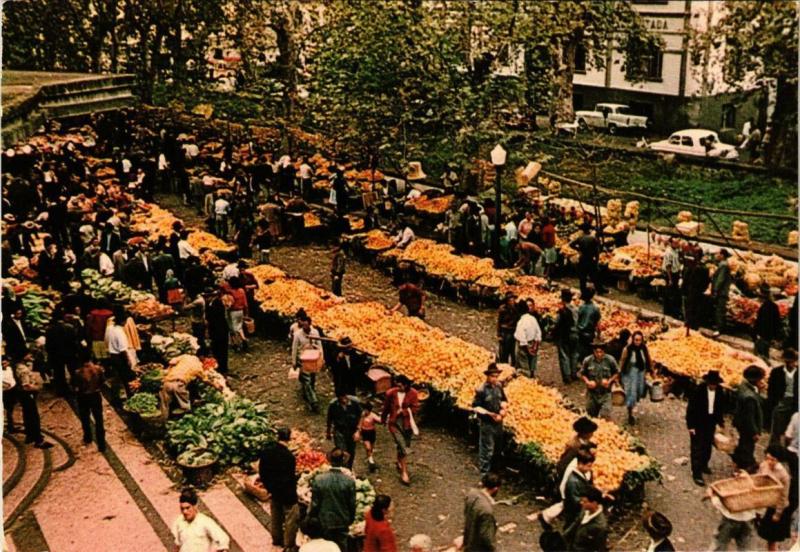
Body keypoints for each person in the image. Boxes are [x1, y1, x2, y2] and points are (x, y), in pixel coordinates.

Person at [259, 427, 299, 551]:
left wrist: (269, 487)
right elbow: (290, 476)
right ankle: (288, 544)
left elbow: (262, 472)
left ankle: (276, 538)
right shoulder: (289, 457)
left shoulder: (267, 452)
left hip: (273, 490)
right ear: (289, 438)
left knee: (276, 516)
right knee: (291, 518)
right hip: (287, 493)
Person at [309, 448, 356, 551]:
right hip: (342, 521)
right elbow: (352, 504)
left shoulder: (319, 479)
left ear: (330, 460)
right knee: (342, 547)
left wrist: (312, 517)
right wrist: (350, 519)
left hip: (324, 520)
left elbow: (315, 504)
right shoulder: (349, 482)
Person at [686, 370, 725, 486]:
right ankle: (696, 473)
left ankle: (704, 464)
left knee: (707, 445)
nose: (713, 386)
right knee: (697, 447)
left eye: (715, 384)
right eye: (712, 384)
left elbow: (720, 407)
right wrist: (691, 425)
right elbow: (691, 409)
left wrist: (720, 421)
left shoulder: (720, 391)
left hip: (710, 421)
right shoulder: (698, 390)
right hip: (698, 422)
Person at [381, 375, 419, 485]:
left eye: (401, 385)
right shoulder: (391, 393)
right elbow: (386, 407)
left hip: (407, 425)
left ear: (406, 385)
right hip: (394, 424)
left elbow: (415, 408)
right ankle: (404, 472)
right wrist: (383, 418)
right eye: (397, 385)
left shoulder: (413, 393)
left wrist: (404, 412)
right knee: (403, 446)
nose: (399, 387)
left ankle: (399, 461)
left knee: (403, 445)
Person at [472, 364, 508, 476]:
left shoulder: (499, 387)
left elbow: (504, 400)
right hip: (487, 424)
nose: (495, 379)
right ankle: (484, 474)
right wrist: (488, 413)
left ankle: (495, 473)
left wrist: (503, 410)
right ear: (487, 376)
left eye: (496, 376)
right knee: (487, 450)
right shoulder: (481, 390)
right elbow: (475, 406)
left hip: (498, 423)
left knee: (497, 449)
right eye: (493, 376)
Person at [756, 445, 792, 550]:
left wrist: (777, 514)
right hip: (766, 503)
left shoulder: (783, 475)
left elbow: (783, 496)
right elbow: (758, 480)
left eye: (773, 460)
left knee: (772, 540)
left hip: (777, 508)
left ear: (778, 460)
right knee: (766, 537)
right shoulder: (763, 465)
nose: (770, 461)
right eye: (768, 458)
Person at [171, 487, 230, 552]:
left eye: (187, 508)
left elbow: (222, 540)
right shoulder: (178, 522)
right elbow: (176, 545)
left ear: (195, 506)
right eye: (182, 509)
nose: (185, 512)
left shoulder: (205, 521)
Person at [731, 364, 766, 472]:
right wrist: (754, 432)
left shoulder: (743, 386)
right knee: (748, 446)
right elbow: (749, 417)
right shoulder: (749, 397)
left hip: (741, 423)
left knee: (743, 443)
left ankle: (740, 459)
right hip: (747, 426)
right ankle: (744, 466)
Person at [707, 484, 758, 552]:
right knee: (747, 548)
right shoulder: (755, 491)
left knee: (719, 545)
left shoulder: (731, 489)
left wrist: (712, 497)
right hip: (748, 520)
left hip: (730, 520)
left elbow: (719, 504)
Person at [72, 351, 106, 452]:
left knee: (85, 418)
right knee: (99, 420)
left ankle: (88, 437)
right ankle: (102, 444)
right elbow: (103, 381)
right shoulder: (98, 369)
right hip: (95, 396)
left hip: (83, 397)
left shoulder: (78, 373)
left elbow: (74, 385)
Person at [618, 331, 652, 425]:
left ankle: (632, 406)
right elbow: (622, 361)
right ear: (633, 340)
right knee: (631, 394)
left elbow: (648, 359)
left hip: (640, 374)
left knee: (639, 392)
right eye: (636, 340)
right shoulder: (627, 349)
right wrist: (618, 374)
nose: (637, 342)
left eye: (639, 340)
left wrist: (651, 371)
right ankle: (630, 413)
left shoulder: (643, 348)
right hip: (629, 374)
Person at [578, 342, 619, 418]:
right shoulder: (588, 360)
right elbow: (582, 373)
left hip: (606, 393)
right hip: (592, 394)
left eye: (601, 352)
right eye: (597, 352)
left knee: (605, 415)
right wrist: (587, 382)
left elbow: (616, 372)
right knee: (591, 415)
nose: (599, 354)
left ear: (604, 351)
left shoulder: (610, 360)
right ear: (593, 352)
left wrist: (609, 381)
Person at [462, 473, 501, 552]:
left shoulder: (471, 494)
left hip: (468, 539)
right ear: (495, 489)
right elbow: (486, 537)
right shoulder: (487, 511)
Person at [766, 348, 797, 446]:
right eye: (787, 362)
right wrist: (773, 403)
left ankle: (788, 451)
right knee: (776, 430)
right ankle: (774, 450)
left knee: (791, 431)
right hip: (781, 404)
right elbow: (771, 390)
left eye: (791, 362)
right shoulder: (776, 372)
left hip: (794, 405)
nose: (789, 364)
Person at [563, 486, 608, 552]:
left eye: (585, 502)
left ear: (594, 503)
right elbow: (576, 522)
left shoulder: (601, 526)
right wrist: (563, 536)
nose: (582, 503)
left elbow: (600, 548)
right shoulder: (585, 509)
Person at [292, 316, 322, 412]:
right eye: (303, 325)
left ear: (310, 324)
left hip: (313, 359)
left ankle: (308, 393)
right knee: (307, 380)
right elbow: (295, 348)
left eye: (306, 325)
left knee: (312, 379)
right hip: (303, 360)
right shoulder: (297, 334)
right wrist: (294, 361)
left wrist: (321, 357)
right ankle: (314, 402)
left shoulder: (315, 332)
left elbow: (320, 346)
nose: (305, 327)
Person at [105, 307, 135, 403]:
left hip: (112, 355)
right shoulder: (120, 332)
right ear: (123, 321)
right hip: (120, 357)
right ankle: (131, 397)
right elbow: (123, 350)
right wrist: (129, 361)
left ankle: (115, 397)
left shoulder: (110, 328)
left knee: (117, 378)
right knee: (127, 379)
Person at [327, 393, 362, 470]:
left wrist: (358, 431)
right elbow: (329, 419)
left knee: (351, 451)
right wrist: (328, 432)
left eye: (345, 396)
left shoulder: (355, 403)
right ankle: (342, 468)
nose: (344, 399)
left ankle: (349, 468)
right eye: (341, 397)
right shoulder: (333, 405)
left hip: (352, 432)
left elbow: (361, 417)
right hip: (339, 432)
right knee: (341, 451)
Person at [562, 450, 596, 528]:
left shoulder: (581, 476)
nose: (590, 469)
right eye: (588, 466)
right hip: (574, 512)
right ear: (580, 464)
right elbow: (575, 499)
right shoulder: (573, 481)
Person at [570, 223, 605, 295]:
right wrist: (597, 260)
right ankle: (599, 290)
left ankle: (583, 291)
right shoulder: (593, 239)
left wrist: (578, 249)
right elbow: (597, 251)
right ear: (589, 230)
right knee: (594, 276)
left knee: (582, 277)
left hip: (582, 259)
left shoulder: (580, 238)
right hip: (590, 259)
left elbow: (571, 244)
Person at [554, 289, 579, 384]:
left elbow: (557, 323)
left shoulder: (562, 310)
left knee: (564, 355)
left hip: (565, 334)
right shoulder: (576, 308)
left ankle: (567, 375)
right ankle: (574, 373)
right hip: (575, 333)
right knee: (574, 354)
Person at [681, 250, 710, 330]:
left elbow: (685, 279)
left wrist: (683, 290)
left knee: (689, 311)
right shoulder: (705, 268)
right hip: (699, 292)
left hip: (690, 292)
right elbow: (707, 281)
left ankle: (688, 327)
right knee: (696, 311)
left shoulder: (691, 266)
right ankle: (694, 327)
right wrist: (702, 290)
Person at [513, 299, 541, 378]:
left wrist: (528, 349)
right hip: (533, 343)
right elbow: (538, 333)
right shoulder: (533, 319)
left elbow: (522, 339)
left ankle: (527, 380)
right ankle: (532, 376)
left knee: (523, 366)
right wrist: (535, 346)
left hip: (523, 347)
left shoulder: (521, 322)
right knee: (532, 363)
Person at [754, 285, 782, 361]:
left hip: (763, 335)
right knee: (765, 353)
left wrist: (756, 334)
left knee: (760, 355)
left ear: (762, 297)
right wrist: (775, 336)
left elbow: (761, 322)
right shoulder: (774, 306)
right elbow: (777, 322)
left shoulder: (764, 307)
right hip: (769, 336)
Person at [206, 289, 229, 374]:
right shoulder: (210, 304)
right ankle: (218, 364)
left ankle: (223, 367)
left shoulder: (217, 303)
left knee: (222, 349)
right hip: (215, 330)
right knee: (216, 348)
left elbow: (215, 317)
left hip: (220, 329)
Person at [576, 287, 601, 364]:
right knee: (589, 353)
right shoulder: (595, 308)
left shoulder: (580, 307)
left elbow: (577, 320)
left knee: (580, 353)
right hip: (590, 334)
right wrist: (598, 335)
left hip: (580, 333)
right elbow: (598, 324)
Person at [711, 249, 732, 337]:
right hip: (722, 291)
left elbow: (720, 279)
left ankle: (719, 329)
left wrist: (715, 290)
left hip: (721, 292)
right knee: (719, 310)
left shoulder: (723, 265)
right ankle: (719, 326)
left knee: (719, 310)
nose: (716, 255)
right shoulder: (723, 264)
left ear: (722, 255)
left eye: (718, 254)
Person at [358, 401, 381, 472]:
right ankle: (371, 461)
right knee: (368, 447)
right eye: (364, 410)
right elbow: (360, 423)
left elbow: (380, 420)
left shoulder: (372, 415)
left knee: (371, 447)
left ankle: (370, 458)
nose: (365, 411)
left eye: (366, 410)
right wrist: (359, 430)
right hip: (365, 433)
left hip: (371, 433)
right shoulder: (362, 415)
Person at [661, 237, 682, 318]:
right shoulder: (668, 252)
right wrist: (670, 279)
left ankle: (672, 310)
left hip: (675, 273)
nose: (677, 244)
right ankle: (668, 311)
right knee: (670, 293)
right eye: (675, 243)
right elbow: (668, 267)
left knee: (674, 292)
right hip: (670, 274)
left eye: (677, 243)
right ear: (670, 243)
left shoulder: (676, 250)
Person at [496, 292, 518, 366]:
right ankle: (504, 365)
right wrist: (499, 335)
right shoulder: (503, 309)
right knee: (504, 352)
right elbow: (499, 322)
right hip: (505, 332)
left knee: (512, 352)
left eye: (513, 300)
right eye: (510, 300)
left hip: (513, 332)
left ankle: (513, 366)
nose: (512, 301)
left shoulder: (516, 309)